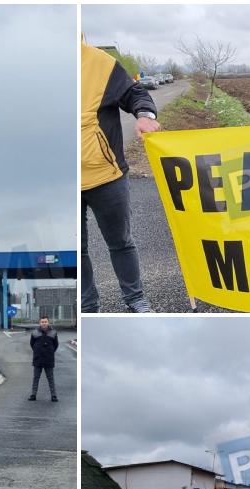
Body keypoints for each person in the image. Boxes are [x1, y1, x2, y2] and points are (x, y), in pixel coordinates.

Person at [80, 40, 161, 313]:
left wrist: (145, 114)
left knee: (121, 242)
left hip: (107, 174)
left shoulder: (98, 62)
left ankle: (135, 299)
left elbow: (134, 93)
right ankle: (88, 307)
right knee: (77, 252)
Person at [28, 316, 59, 402]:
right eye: (42, 322)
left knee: (50, 378)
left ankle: (54, 396)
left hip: (49, 359)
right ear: (40, 323)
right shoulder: (34, 333)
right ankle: (33, 395)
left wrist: (50, 351)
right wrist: (37, 351)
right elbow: (32, 344)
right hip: (38, 359)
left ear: (48, 322)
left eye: (45, 322)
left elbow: (56, 345)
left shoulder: (53, 332)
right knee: (36, 378)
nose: (44, 323)